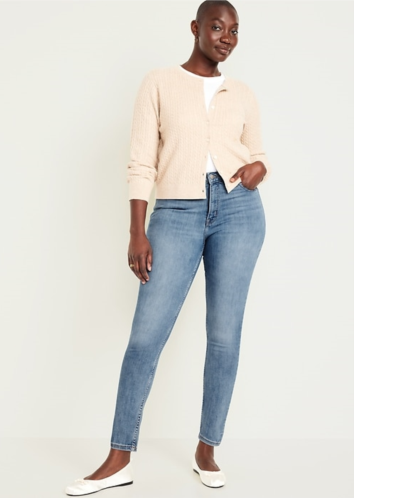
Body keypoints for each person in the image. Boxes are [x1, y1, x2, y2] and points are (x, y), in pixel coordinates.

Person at [65, 0, 270, 495]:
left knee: (224, 337)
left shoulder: (242, 93)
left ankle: (207, 449)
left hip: (239, 212)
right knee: (145, 337)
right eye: (217, 27)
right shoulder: (158, 83)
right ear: (196, 27)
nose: (227, 37)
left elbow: (258, 153)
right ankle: (119, 457)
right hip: (175, 212)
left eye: (235, 30)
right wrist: (137, 231)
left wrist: (260, 168)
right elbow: (141, 161)